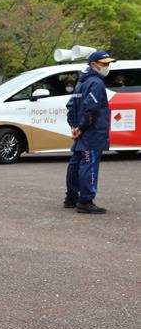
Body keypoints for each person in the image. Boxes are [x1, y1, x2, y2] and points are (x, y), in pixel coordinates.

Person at [64, 50, 116, 214]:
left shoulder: (81, 82)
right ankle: (85, 201)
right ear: (93, 64)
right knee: (89, 165)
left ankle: (71, 198)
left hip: (82, 131)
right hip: (91, 133)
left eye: (108, 63)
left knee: (75, 164)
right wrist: (80, 127)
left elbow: (71, 106)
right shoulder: (96, 83)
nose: (107, 67)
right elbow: (90, 110)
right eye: (104, 64)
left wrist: (74, 126)